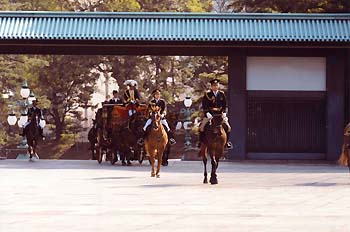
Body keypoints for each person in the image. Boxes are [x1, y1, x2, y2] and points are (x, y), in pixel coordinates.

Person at [198, 79, 233, 149]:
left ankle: (227, 142)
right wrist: (207, 112)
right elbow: (204, 105)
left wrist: (224, 113)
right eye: (214, 85)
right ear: (211, 86)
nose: (215, 87)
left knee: (228, 127)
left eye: (217, 85)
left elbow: (225, 104)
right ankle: (201, 142)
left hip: (220, 115)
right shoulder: (207, 94)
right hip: (210, 114)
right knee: (201, 128)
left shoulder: (221, 94)